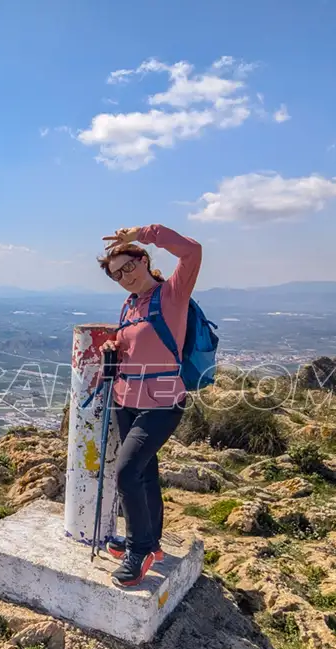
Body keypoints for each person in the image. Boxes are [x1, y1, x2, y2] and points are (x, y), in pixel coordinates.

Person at [97, 224, 202, 588]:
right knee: (144, 475)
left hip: (161, 405)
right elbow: (133, 344)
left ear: (142, 260)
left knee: (126, 473)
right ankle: (150, 544)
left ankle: (138, 551)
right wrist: (113, 345)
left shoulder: (172, 294)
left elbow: (192, 251)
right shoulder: (128, 306)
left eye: (128, 266)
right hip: (126, 401)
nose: (124, 277)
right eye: (116, 275)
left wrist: (143, 233)